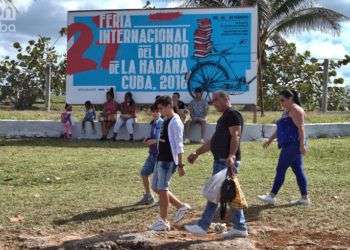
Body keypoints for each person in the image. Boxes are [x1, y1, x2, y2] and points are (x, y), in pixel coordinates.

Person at [185, 91, 248, 238]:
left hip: (226, 161)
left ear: (226, 99)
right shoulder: (224, 118)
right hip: (221, 161)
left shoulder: (233, 114)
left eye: (216, 100)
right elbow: (213, 141)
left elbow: (236, 135)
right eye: (212, 100)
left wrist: (231, 155)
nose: (214, 103)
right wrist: (196, 153)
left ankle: (203, 225)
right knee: (226, 194)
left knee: (219, 193)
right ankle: (239, 227)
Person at [257, 90, 310, 206]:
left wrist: (302, 146)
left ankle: (272, 196)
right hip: (289, 145)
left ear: (290, 98)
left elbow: (301, 129)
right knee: (298, 170)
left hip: (293, 145)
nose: (281, 103)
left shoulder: (296, 110)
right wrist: (270, 140)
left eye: (283, 100)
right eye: (280, 100)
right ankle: (304, 198)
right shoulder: (287, 110)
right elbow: (280, 129)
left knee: (281, 168)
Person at [149, 95, 191, 231]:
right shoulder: (166, 120)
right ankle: (181, 207)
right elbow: (166, 140)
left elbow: (179, 145)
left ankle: (163, 220)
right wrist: (155, 142)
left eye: (161, 108)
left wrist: (180, 165)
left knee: (162, 189)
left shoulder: (176, 121)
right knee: (155, 187)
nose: (160, 111)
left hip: (168, 161)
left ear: (169, 105)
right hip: (160, 158)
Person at [137, 104, 163, 205]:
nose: (155, 113)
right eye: (153, 111)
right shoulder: (153, 123)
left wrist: (153, 141)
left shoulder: (162, 123)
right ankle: (149, 196)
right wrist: (147, 139)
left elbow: (162, 139)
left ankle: (163, 199)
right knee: (144, 173)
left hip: (159, 155)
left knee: (159, 180)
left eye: (157, 111)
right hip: (152, 154)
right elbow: (153, 137)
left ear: (160, 111)